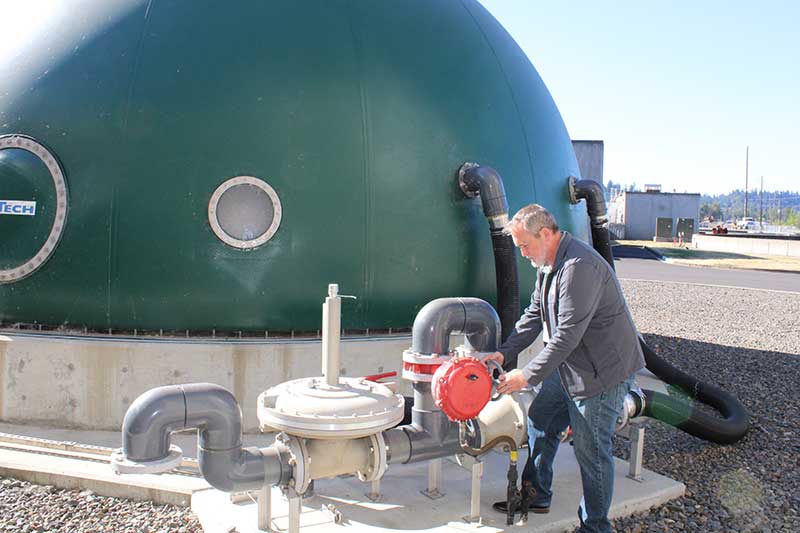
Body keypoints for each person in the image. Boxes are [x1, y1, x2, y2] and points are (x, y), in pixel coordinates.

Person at [482, 203, 645, 533]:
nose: (523, 254)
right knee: (541, 418)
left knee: (592, 453)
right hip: (573, 364)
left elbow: (567, 335)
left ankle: (596, 527)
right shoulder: (548, 263)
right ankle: (536, 493)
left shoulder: (578, 268)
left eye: (524, 245)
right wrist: (504, 354)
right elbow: (533, 313)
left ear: (544, 234)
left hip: (601, 373)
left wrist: (526, 375)